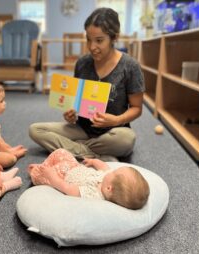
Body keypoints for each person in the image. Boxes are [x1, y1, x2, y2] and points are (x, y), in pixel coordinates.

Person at [29, 8, 145, 161]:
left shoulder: (130, 66)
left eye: (99, 40)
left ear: (114, 38)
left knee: (126, 140)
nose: (91, 47)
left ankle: (76, 148)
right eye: (88, 39)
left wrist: (116, 120)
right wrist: (71, 113)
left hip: (114, 132)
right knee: (36, 130)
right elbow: (76, 101)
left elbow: (137, 108)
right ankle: (96, 154)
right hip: (82, 128)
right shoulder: (82, 63)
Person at [28, 149, 149, 210]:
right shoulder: (108, 179)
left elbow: (67, 188)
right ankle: (46, 165)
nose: (112, 170)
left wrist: (52, 177)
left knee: (40, 175)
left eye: (115, 172)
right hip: (74, 166)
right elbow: (104, 167)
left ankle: (38, 171)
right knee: (62, 152)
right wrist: (94, 161)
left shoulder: (93, 195)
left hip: (62, 177)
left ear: (109, 189)